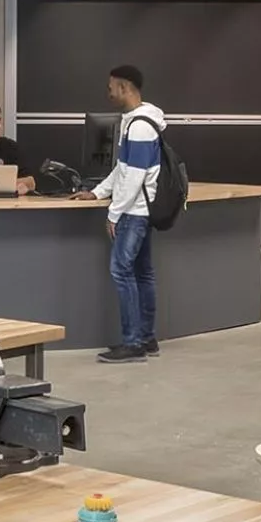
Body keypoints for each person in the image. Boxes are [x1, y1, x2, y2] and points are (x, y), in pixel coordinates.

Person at [78, 64, 165, 363]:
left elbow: (135, 175)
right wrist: (98, 192)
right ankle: (146, 338)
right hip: (138, 209)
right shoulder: (135, 121)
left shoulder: (140, 126)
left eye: (111, 86)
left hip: (135, 212)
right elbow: (122, 168)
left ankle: (133, 343)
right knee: (142, 273)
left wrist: (114, 213)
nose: (108, 92)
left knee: (122, 271)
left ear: (125, 87)